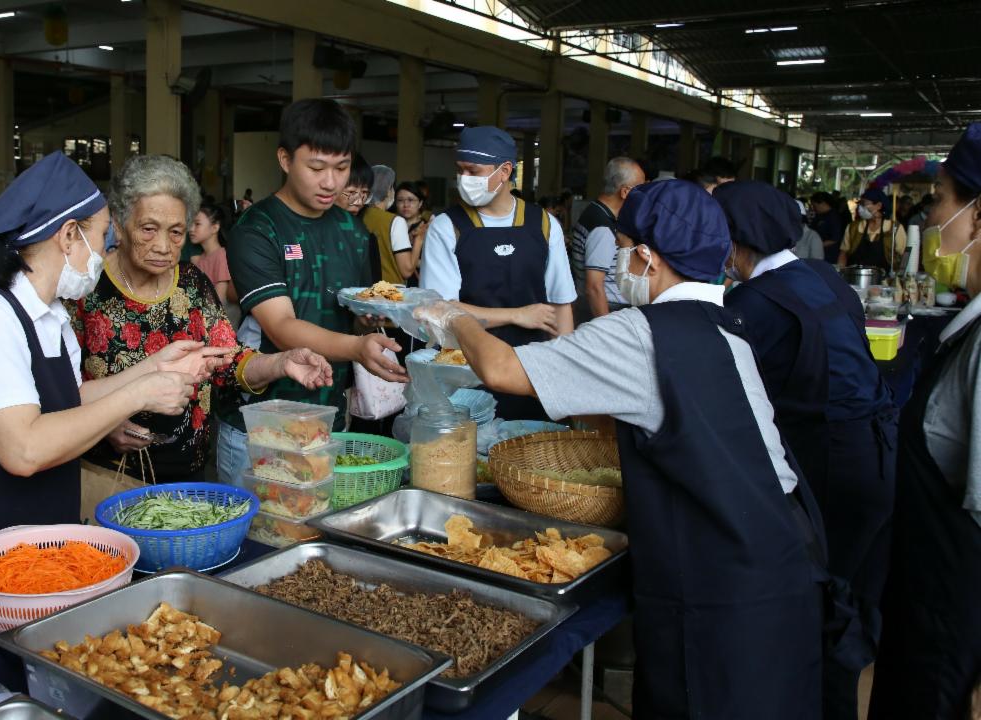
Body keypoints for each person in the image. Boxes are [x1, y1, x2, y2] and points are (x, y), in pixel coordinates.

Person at [417, 179, 824, 719]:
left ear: (648, 259)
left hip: (717, 574)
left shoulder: (640, 332)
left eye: (624, 248)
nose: (615, 262)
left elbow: (501, 369)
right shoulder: (726, 326)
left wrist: (456, 318)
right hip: (784, 548)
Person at [0, 152, 221, 604]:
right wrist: (140, 394)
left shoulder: (49, 315)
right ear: (69, 236)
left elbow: (70, 399)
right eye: (103, 236)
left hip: (31, 551)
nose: (107, 252)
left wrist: (155, 366)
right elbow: (23, 449)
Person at [716, 180, 897, 720]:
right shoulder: (819, 276)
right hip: (878, 455)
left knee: (824, 603)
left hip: (832, 462)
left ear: (736, 240)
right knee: (854, 595)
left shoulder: (754, 303)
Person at [70, 154, 333, 483]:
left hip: (187, 473)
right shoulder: (85, 290)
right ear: (121, 225)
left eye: (177, 232)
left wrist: (282, 363)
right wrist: (104, 423)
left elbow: (229, 359)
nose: (165, 246)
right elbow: (60, 392)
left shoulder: (192, 284)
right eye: (149, 229)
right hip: (108, 474)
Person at [219, 98, 405, 483]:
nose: (331, 182)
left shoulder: (351, 231)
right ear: (285, 160)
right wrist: (357, 347)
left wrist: (368, 320)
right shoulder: (258, 229)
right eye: (317, 167)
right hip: (260, 425)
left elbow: (352, 313)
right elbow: (282, 326)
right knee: (264, 539)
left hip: (328, 421)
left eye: (342, 167)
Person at [869, 123, 981, 720]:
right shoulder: (966, 331)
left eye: (938, 199)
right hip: (924, 604)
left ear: (979, 217)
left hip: (949, 608)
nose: (929, 219)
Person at [420, 125, 576, 420]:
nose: (464, 179)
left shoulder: (543, 224)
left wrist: (563, 371)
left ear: (504, 171)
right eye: (460, 170)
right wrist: (517, 315)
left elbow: (561, 305)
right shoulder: (447, 226)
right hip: (467, 368)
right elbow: (439, 309)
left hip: (533, 368)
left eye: (474, 171)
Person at [570, 157, 645, 322]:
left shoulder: (595, 211)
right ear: (625, 192)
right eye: (640, 189)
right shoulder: (602, 227)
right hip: (604, 308)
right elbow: (594, 287)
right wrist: (605, 327)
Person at [361, 166, 417, 284]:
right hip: (389, 294)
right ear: (388, 190)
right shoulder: (395, 221)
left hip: (363, 291)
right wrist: (420, 240)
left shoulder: (358, 215)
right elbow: (406, 271)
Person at [838, 188, 907, 271]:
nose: (860, 207)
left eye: (864, 204)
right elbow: (843, 254)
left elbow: (904, 256)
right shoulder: (853, 227)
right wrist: (839, 272)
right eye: (860, 204)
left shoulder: (895, 228)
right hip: (855, 278)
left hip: (884, 281)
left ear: (879, 206)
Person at [189, 203, 236, 306]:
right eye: (191, 224)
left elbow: (220, 301)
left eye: (197, 224)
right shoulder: (200, 259)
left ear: (215, 228)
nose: (191, 229)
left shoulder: (221, 256)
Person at [810, 191, 845, 262]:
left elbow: (835, 238)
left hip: (829, 254)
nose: (814, 208)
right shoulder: (819, 216)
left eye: (815, 206)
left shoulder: (834, 217)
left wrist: (817, 245)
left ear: (822, 203)